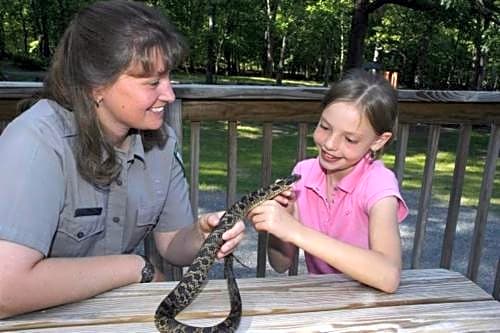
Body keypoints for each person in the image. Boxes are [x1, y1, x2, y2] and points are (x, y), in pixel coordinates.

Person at [0, 0, 244, 319]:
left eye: (168, 77)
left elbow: (172, 243)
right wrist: (134, 267)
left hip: (114, 316)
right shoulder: (35, 142)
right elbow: (5, 291)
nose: (169, 95)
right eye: (153, 83)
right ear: (95, 86)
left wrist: (203, 235)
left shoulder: (161, 141)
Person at [248, 69, 408, 293]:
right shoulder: (303, 174)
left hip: (372, 306)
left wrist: (296, 231)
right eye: (324, 127)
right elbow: (280, 264)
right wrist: (285, 219)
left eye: (350, 139)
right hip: (323, 299)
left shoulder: (379, 184)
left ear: (379, 141)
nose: (330, 144)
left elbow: (389, 277)